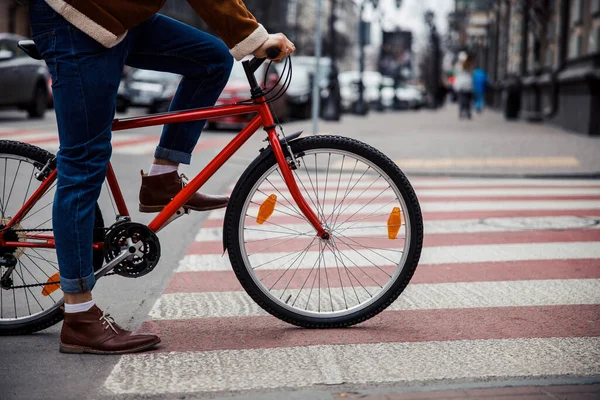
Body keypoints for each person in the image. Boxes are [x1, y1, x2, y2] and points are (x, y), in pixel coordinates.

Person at [28, 0, 294, 355]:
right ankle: (79, 317)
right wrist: (253, 36)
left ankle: (162, 178)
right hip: (77, 18)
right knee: (85, 158)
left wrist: (244, 36)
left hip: (117, 15)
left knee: (211, 59)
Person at [453, 52, 474, 120]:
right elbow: (472, 75)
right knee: (468, 101)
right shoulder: (470, 66)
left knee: (462, 100)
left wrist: (456, 86)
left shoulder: (458, 66)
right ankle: (468, 113)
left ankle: (461, 113)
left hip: (461, 86)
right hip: (468, 85)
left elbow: (456, 76)